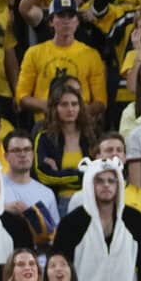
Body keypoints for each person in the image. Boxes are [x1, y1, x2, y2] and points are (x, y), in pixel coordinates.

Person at [15, 0, 107, 120]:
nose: (66, 20)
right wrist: (48, 107)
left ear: (77, 21)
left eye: (71, 16)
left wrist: (75, 110)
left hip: (80, 123)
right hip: (45, 122)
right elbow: (21, 96)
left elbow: (100, 101)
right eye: (61, 16)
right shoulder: (34, 53)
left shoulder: (91, 55)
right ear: (51, 21)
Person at [66, 132, 141, 238]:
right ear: (97, 156)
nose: (115, 154)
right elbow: (71, 235)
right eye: (109, 150)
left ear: (125, 157)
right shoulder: (80, 198)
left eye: (119, 150)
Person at [33, 78, 97, 213]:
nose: (70, 109)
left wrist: (60, 175)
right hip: (59, 202)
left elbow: (98, 172)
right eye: (64, 105)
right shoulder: (45, 137)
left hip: (90, 200)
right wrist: (81, 175)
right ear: (55, 108)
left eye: (74, 104)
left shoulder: (90, 135)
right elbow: (43, 175)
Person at [2, 129, 60, 248]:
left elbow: (54, 235)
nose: (23, 154)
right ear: (6, 156)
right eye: (16, 150)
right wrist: (4, 208)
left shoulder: (46, 193)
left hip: (35, 257)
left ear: (33, 154)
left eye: (27, 149)